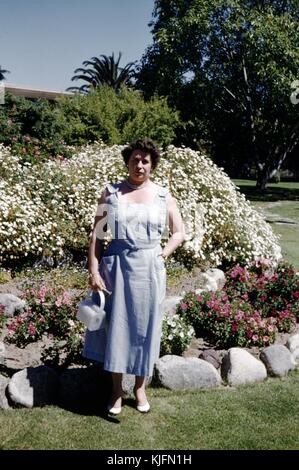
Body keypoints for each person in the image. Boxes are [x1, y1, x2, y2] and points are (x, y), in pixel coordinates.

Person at [83, 137, 185, 415]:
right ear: (127, 162)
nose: (139, 165)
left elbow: (179, 232)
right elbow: (98, 234)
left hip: (150, 270)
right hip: (115, 268)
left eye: (145, 160)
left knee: (145, 329)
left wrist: (163, 254)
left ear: (152, 165)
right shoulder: (111, 194)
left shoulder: (164, 195)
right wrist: (93, 268)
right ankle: (116, 390)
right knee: (116, 328)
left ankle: (140, 388)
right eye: (135, 160)